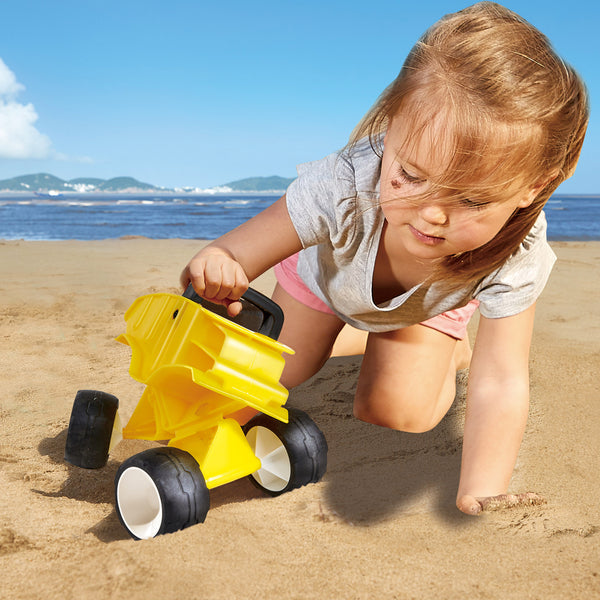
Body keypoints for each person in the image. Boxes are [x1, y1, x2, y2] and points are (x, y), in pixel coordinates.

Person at [180, 2, 588, 515]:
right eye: (410, 177)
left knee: (396, 412)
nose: (432, 214)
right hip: (324, 284)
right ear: (390, 128)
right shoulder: (343, 186)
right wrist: (218, 265)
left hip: (424, 305)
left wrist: (484, 487)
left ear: (534, 187)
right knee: (274, 376)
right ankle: (350, 332)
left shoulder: (517, 250)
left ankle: (449, 347)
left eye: (472, 200)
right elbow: (235, 251)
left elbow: (502, 378)